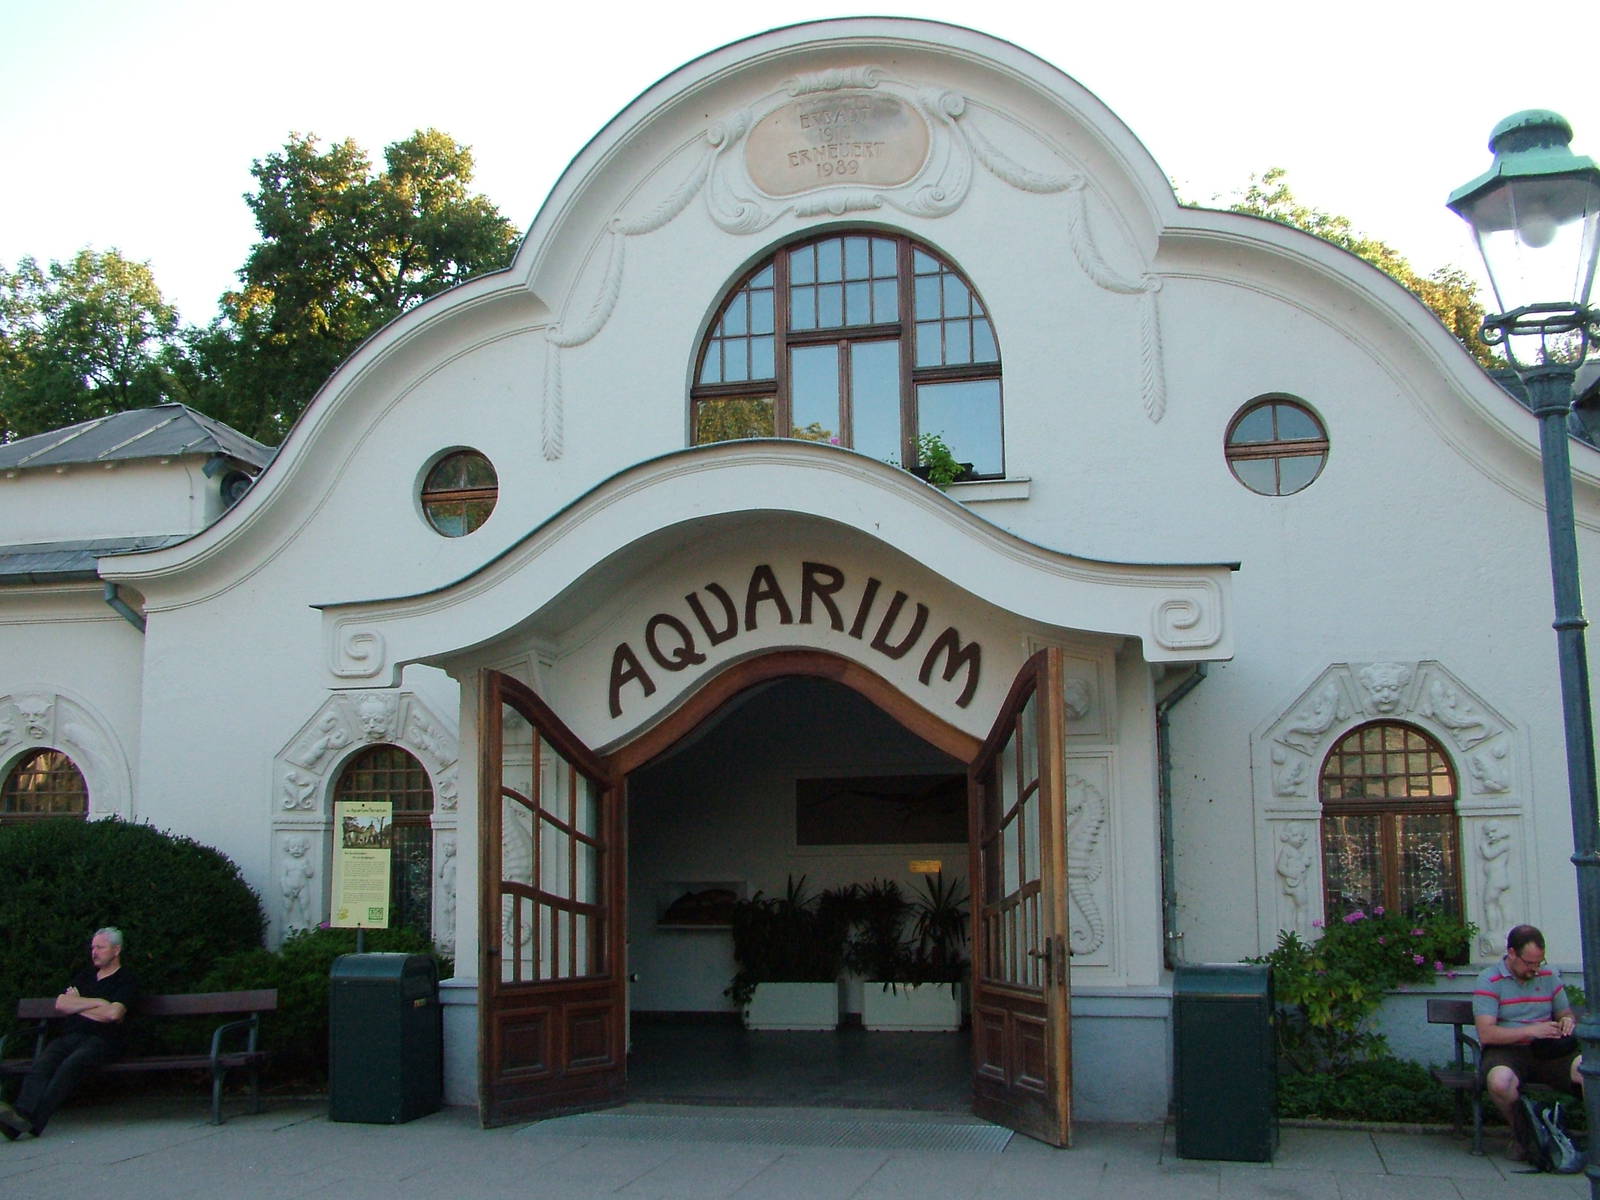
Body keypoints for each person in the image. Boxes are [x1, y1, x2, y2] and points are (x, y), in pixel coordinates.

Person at [0, 927, 139, 1139]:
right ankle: (21, 1116)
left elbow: (113, 1014)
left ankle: (34, 1123)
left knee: (69, 1067)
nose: (94, 952)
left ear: (116, 949)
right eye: (93, 947)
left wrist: (79, 1004)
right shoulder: (84, 976)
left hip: (103, 1041)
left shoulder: (126, 979)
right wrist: (97, 1002)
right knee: (42, 1064)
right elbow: (61, 1003)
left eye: (100, 947)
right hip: (71, 1037)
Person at [1472, 923, 1583, 1160]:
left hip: (1548, 1050)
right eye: (1528, 963)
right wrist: (1532, 1031)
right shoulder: (1489, 980)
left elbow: (1565, 1013)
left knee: (1588, 1070)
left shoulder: (1549, 976)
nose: (1534, 969)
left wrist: (1566, 1022)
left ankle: (1585, 1140)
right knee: (1500, 1082)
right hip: (1507, 1051)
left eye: (1538, 963)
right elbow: (1487, 1034)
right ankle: (1526, 1136)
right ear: (1511, 953)